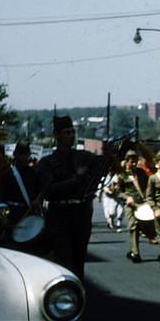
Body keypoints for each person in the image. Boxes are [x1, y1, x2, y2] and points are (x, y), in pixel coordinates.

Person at [36, 115, 101, 280]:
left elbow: (100, 164)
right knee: (65, 261)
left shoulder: (82, 156)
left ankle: (78, 294)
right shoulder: (47, 162)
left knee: (79, 261)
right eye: (66, 132)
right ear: (56, 135)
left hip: (81, 214)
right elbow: (48, 191)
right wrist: (75, 180)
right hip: (59, 215)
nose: (71, 135)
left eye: (72, 132)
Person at [0, 141, 40, 247]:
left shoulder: (34, 174)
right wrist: (4, 217)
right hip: (11, 216)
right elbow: (1, 197)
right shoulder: (7, 174)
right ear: (15, 155)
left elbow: (38, 193)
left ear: (28, 155)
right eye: (20, 153)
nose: (22, 157)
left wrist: (37, 200)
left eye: (24, 154)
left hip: (28, 216)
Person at [116, 149, 148, 263]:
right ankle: (136, 252)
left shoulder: (141, 172)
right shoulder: (122, 174)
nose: (134, 164)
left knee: (141, 227)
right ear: (126, 161)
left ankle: (132, 249)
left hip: (142, 203)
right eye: (131, 162)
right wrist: (126, 198)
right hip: (131, 204)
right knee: (133, 226)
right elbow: (118, 192)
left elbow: (147, 186)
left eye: (135, 161)